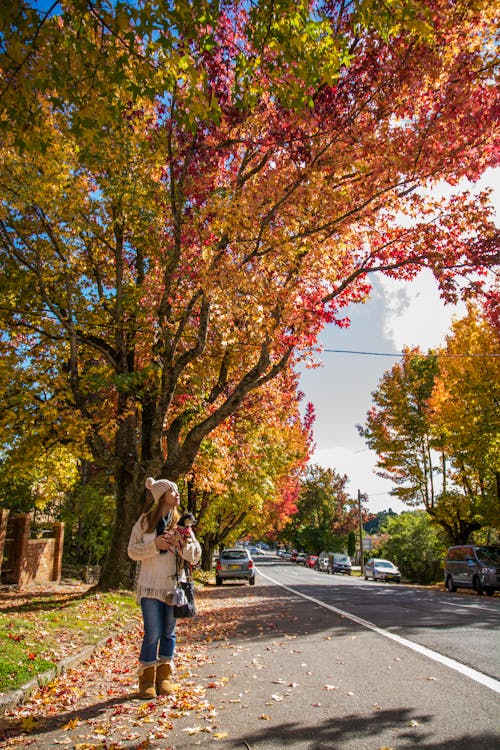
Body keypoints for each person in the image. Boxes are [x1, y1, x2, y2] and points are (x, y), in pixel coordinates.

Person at [127, 476, 201, 699]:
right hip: (150, 586)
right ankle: (146, 679)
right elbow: (132, 551)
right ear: (161, 497)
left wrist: (183, 545)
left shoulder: (182, 525)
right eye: (173, 491)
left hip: (173, 588)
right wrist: (154, 545)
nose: (177, 494)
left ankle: (164, 677)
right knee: (153, 632)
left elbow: (195, 556)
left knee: (168, 633)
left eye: (177, 491)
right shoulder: (145, 522)